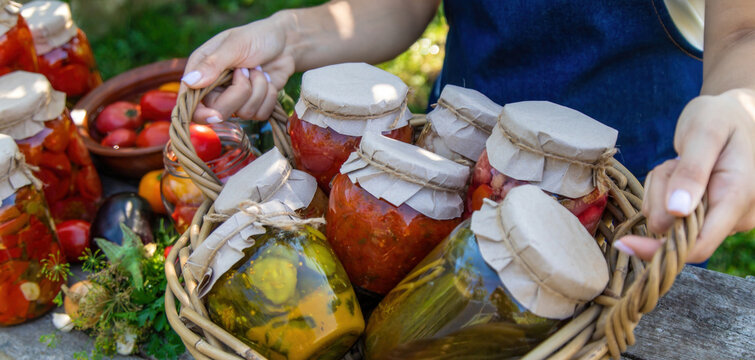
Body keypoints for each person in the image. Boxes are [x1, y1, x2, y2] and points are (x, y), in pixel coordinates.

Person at [179, 0, 755, 264]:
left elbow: (742, 32)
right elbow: (401, 7)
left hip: (618, 204)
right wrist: (292, 36)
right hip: (443, 178)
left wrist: (742, 106)